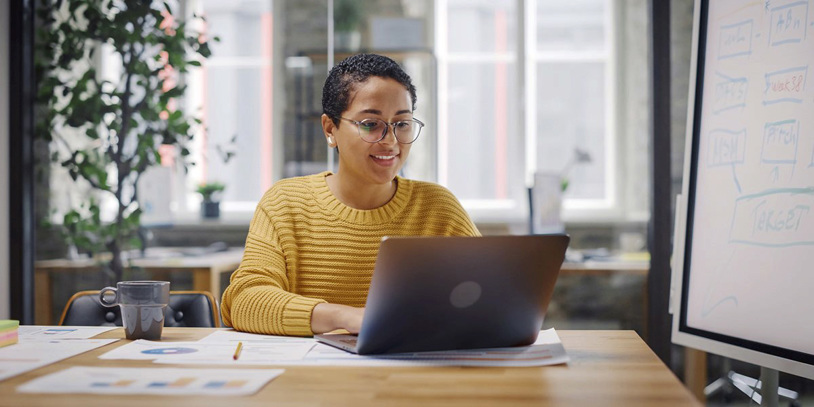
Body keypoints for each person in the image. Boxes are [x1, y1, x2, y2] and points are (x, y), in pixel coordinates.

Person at [221, 53, 480, 336]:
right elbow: (245, 300)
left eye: (402, 124)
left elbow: (491, 295)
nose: (391, 141)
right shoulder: (285, 204)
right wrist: (346, 317)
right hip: (315, 377)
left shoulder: (438, 208)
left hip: (414, 372)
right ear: (330, 129)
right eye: (371, 124)